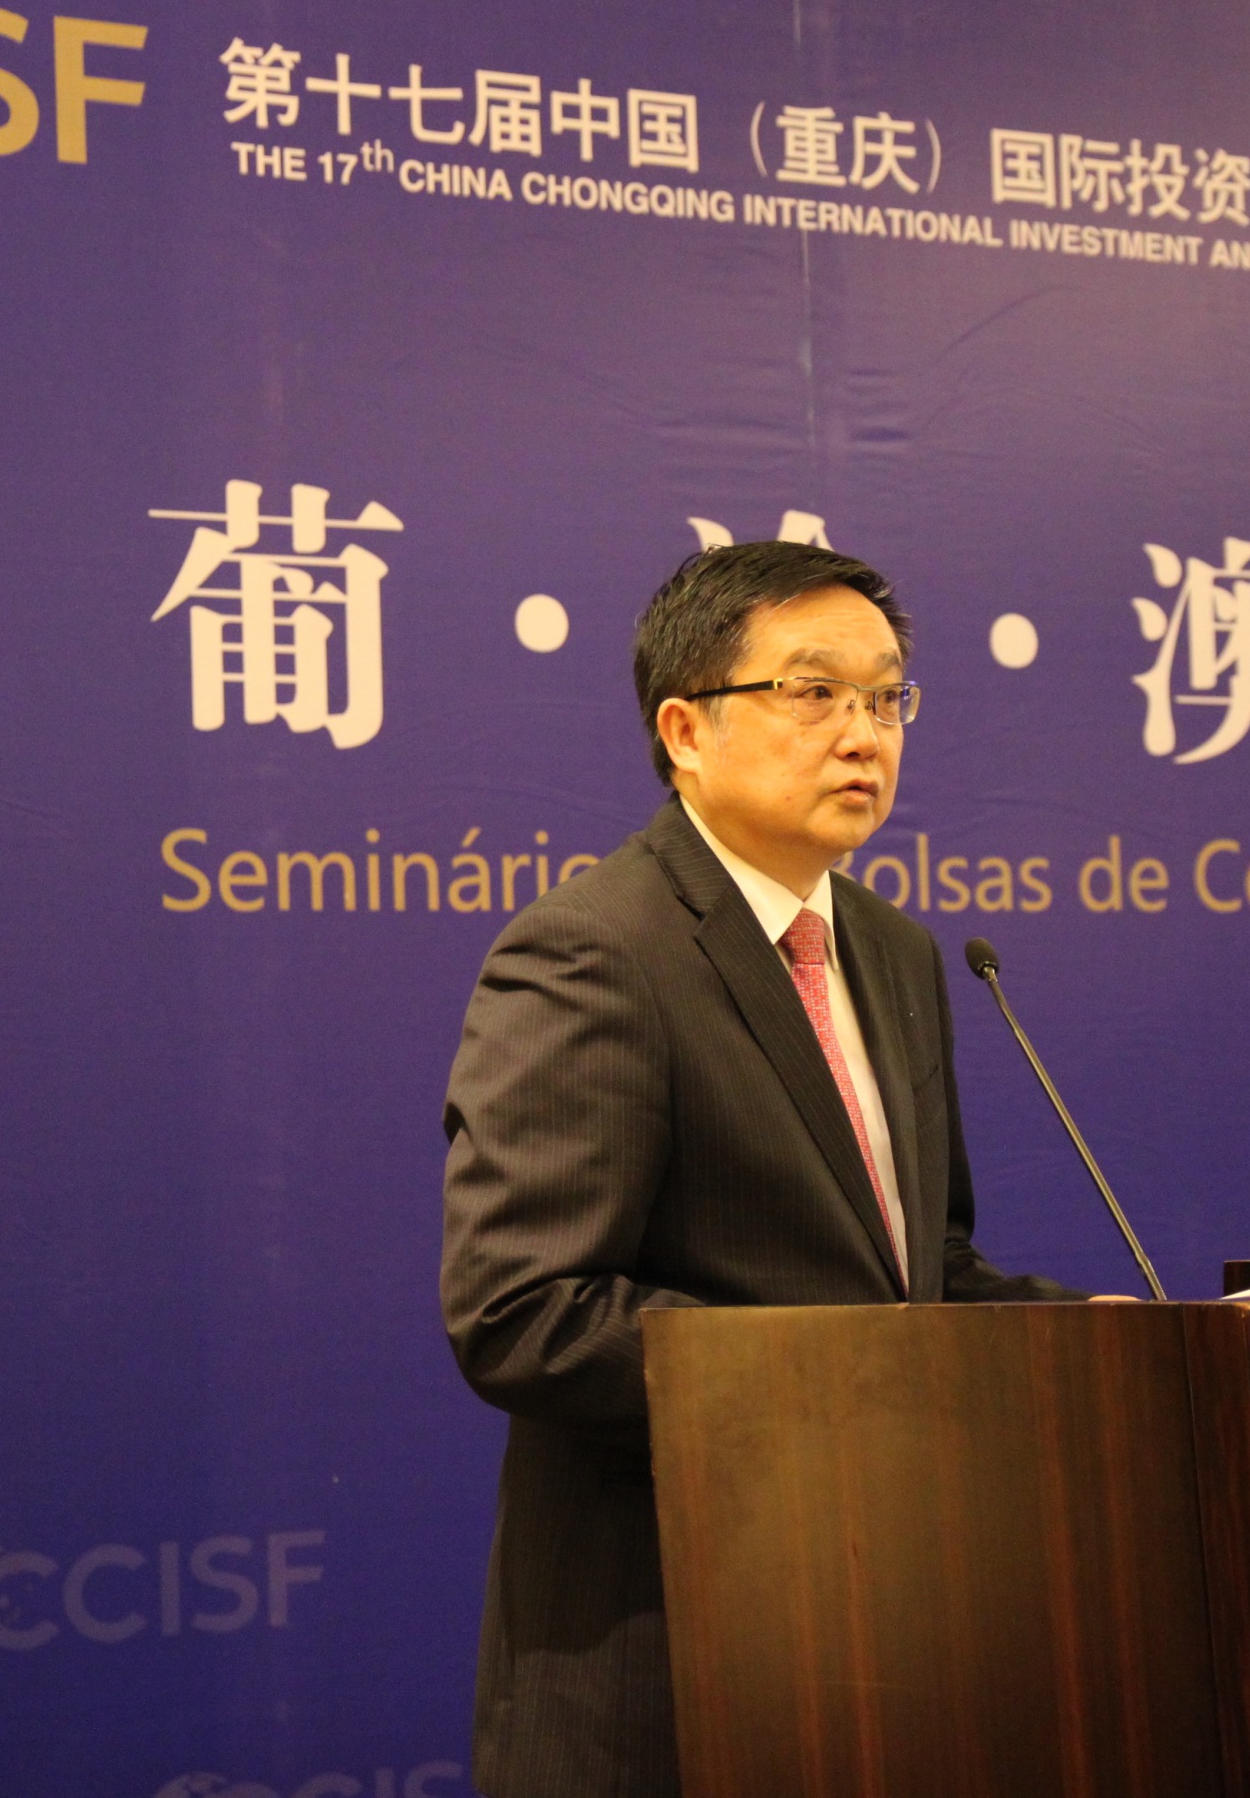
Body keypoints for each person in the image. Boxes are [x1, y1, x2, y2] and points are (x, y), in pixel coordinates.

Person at [439, 541, 1086, 1798]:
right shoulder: (593, 949)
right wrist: (849, 1384)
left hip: (883, 1640)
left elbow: (921, 1271)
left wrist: (1099, 1340)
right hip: (670, 1652)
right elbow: (523, 1312)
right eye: (812, 691)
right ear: (685, 729)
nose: (861, 734)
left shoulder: (892, 951)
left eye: (886, 697)